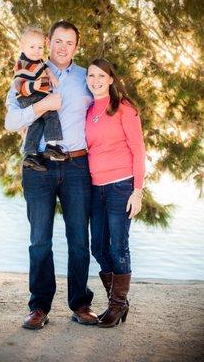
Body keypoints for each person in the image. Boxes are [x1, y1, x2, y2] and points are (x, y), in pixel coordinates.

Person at [5, 21, 98, 329]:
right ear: (48, 41)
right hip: (38, 167)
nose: (63, 47)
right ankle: (39, 307)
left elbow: (106, 112)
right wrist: (42, 105)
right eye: (58, 41)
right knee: (40, 240)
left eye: (69, 42)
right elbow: (10, 120)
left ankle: (80, 304)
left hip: (76, 166)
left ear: (76, 46)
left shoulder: (87, 78)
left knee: (78, 240)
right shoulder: (29, 71)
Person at [85, 58, 146, 328]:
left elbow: (139, 150)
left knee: (118, 246)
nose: (96, 80)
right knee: (98, 245)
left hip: (122, 186)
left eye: (101, 76)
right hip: (95, 188)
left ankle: (117, 305)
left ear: (110, 79)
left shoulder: (124, 108)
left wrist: (138, 191)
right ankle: (118, 302)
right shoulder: (88, 110)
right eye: (91, 76)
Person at [13, 26, 66, 172]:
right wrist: (34, 85)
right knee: (51, 113)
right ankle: (52, 145)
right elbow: (19, 85)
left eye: (40, 47)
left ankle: (30, 154)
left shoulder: (37, 61)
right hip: (28, 96)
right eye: (32, 47)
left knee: (37, 123)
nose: (36, 50)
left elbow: (45, 67)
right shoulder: (22, 64)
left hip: (35, 96)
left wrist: (51, 75)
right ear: (22, 47)